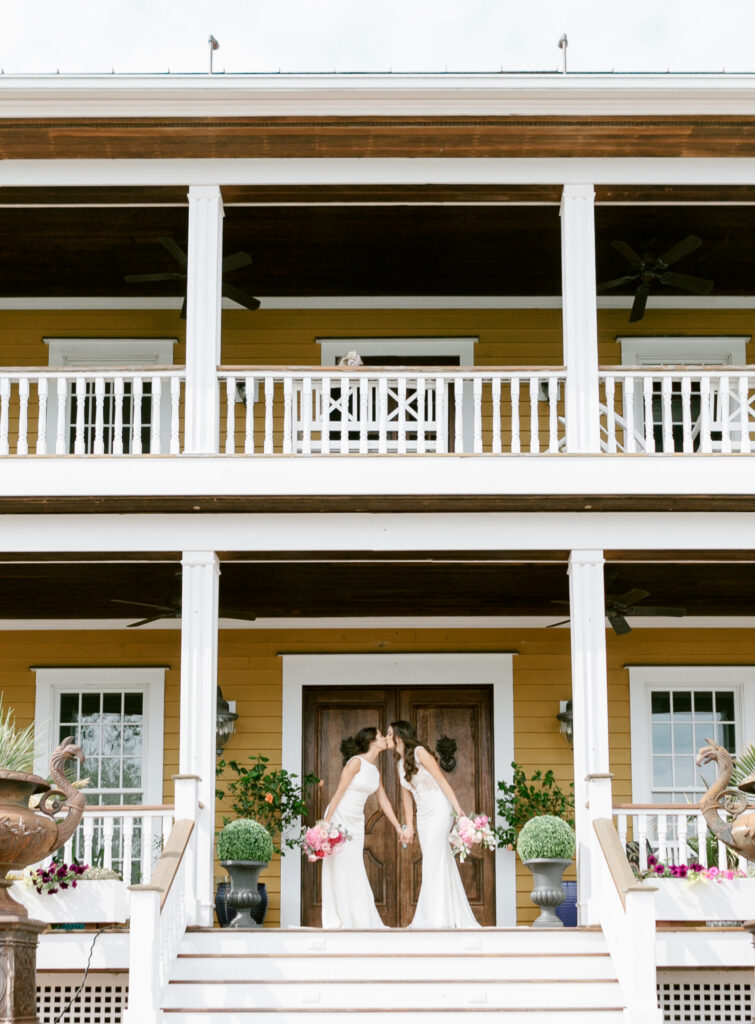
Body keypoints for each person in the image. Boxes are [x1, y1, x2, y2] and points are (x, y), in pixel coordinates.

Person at [387, 720, 479, 929]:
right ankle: (446, 912)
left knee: (433, 861)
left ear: (399, 736)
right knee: (437, 859)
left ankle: (435, 917)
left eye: (389, 733)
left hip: (439, 810)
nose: (386, 736)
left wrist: (458, 810)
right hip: (423, 815)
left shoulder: (420, 752)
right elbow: (406, 798)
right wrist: (409, 826)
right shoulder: (399, 764)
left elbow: (442, 780)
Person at [321, 726, 406, 929]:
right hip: (339, 819)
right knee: (341, 868)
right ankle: (342, 917)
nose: (386, 738)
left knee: (354, 867)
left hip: (357, 822)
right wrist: (327, 821)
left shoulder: (375, 770)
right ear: (372, 741)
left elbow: (383, 801)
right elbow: (339, 792)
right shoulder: (355, 762)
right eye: (381, 736)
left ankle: (359, 917)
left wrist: (398, 827)